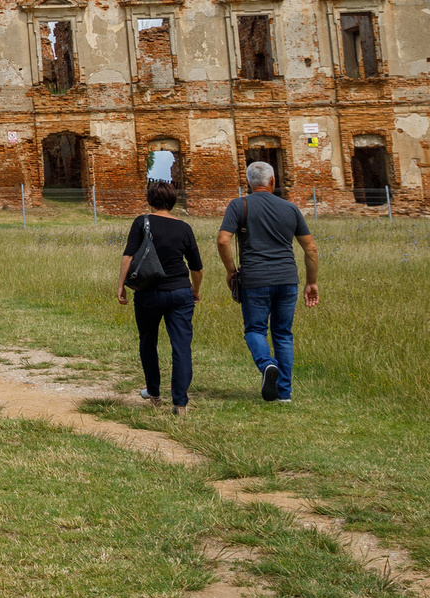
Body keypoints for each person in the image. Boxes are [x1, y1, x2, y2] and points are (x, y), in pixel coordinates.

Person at [217, 161, 321, 402]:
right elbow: (311, 248)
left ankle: (267, 365)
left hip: (255, 279)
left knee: (255, 330)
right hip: (287, 280)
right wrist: (311, 282)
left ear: (248, 183)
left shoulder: (238, 204)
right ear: (272, 181)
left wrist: (231, 271)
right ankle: (284, 394)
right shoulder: (290, 208)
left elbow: (223, 240)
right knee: (283, 334)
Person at [118, 179, 203, 414]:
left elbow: (128, 256)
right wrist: (195, 290)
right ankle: (180, 403)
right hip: (179, 291)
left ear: (150, 200)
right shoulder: (184, 228)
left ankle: (154, 394)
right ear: (173, 201)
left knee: (148, 342)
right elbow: (197, 268)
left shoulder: (141, 222)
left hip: (147, 292)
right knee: (181, 347)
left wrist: (121, 286)